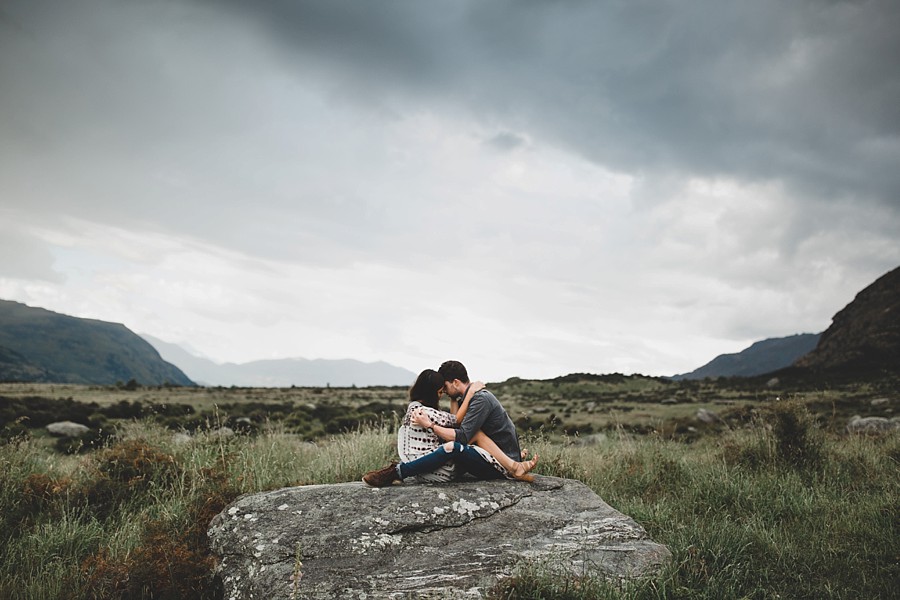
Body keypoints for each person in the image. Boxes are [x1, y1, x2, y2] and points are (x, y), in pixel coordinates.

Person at [363, 361, 537, 487]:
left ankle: (398, 471)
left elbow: (461, 436)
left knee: (455, 445)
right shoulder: (467, 399)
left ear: (455, 382)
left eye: (445, 387)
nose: (443, 392)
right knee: (456, 443)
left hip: (497, 464)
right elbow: (457, 424)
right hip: (491, 456)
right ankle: (514, 461)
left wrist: (430, 425)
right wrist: (455, 399)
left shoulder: (479, 399)